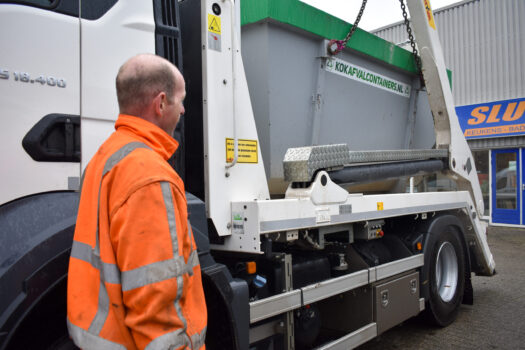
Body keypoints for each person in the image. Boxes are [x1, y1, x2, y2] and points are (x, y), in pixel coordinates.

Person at [67, 54, 207, 350]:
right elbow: (156, 303)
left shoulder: (104, 158)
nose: (183, 109)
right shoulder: (150, 176)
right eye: (180, 101)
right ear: (160, 104)